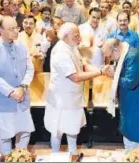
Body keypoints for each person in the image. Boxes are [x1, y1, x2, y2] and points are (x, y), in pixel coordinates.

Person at [44, 22, 108, 155]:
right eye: (76, 36)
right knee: (58, 130)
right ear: (66, 36)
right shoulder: (61, 52)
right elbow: (76, 77)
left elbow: (83, 64)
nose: (80, 38)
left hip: (73, 98)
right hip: (62, 99)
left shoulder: (71, 46)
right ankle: (55, 156)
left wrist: (100, 70)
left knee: (73, 128)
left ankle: (73, 154)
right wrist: (100, 73)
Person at [0, 16, 35, 155]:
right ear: (0, 30)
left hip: (22, 98)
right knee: (5, 136)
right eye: (11, 29)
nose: (16, 31)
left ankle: (21, 157)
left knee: (24, 132)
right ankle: (6, 157)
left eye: (17, 28)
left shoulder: (22, 46)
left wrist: (23, 87)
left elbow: (30, 69)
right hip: (1, 101)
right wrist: (12, 92)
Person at [102, 38, 139, 156]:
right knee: (128, 139)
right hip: (129, 104)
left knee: (134, 143)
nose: (110, 59)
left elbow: (130, 82)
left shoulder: (133, 56)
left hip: (138, 105)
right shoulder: (125, 54)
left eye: (110, 56)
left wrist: (113, 75)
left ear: (116, 49)